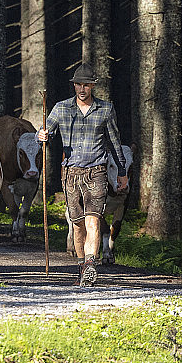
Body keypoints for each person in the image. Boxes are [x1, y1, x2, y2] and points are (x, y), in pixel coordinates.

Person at [37, 62, 128, 286]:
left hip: (96, 172)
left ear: (93, 86)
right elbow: (45, 131)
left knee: (94, 222)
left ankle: (90, 265)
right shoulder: (61, 108)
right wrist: (42, 135)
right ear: (74, 86)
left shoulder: (105, 109)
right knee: (77, 224)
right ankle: (81, 266)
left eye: (86, 85)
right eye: (78, 84)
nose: (82, 89)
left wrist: (122, 172)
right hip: (70, 173)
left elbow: (115, 143)